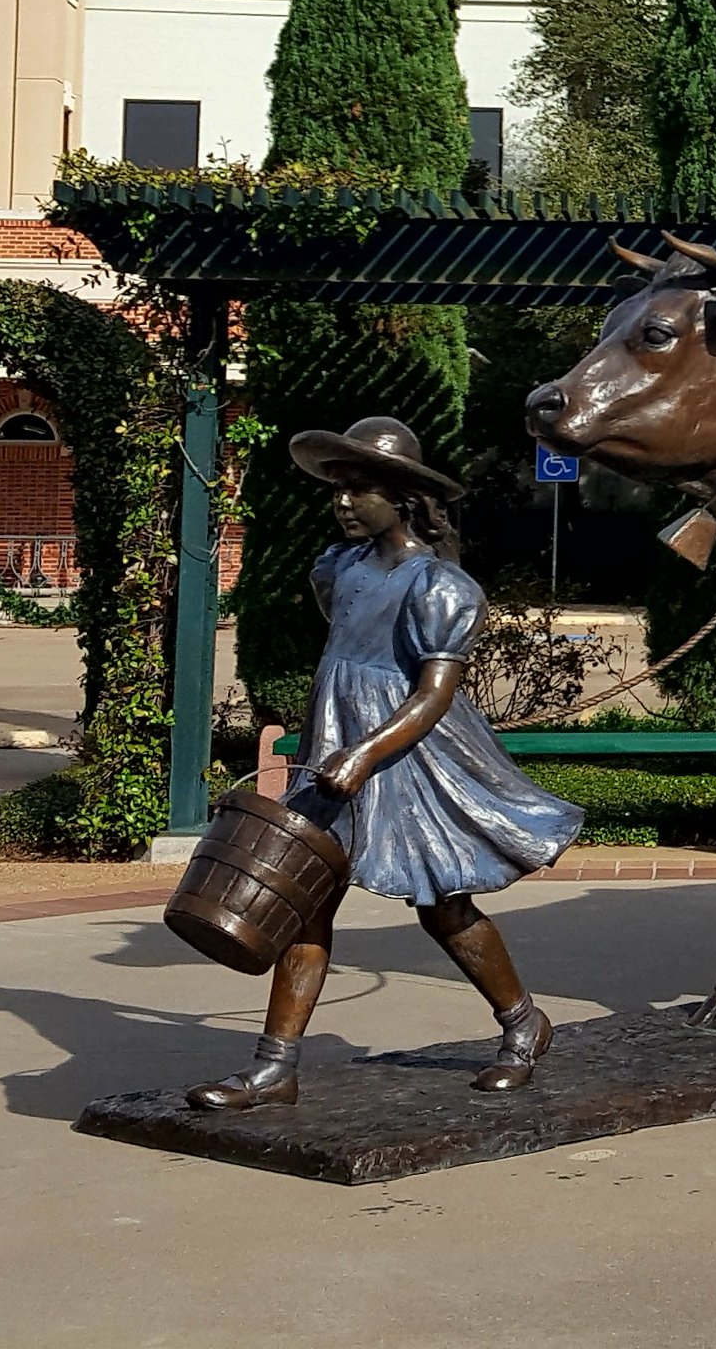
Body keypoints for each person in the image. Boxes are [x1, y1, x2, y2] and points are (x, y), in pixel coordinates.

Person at [186, 416, 583, 1111]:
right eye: (336, 488)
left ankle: (523, 1023)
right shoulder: (337, 570)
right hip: (335, 750)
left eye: (358, 488)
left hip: (406, 761)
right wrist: (338, 746)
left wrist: (365, 753)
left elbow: (434, 694)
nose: (341, 501)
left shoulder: (441, 587)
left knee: (443, 907)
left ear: (401, 497)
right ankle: (275, 1066)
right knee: (306, 901)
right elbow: (347, 656)